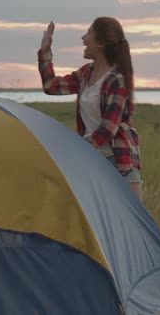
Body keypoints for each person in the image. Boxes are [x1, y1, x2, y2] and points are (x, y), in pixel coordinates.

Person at [38, 17, 142, 199]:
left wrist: (75, 147)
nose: (83, 38)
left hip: (119, 163)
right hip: (94, 160)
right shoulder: (86, 73)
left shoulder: (117, 80)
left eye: (89, 33)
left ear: (101, 43)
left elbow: (107, 130)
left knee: (131, 226)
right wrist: (46, 52)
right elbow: (51, 86)